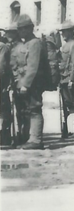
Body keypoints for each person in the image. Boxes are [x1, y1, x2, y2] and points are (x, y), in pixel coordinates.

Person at [11, 15, 47, 149]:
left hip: (33, 83)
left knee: (34, 109)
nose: (20, 32)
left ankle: (36, 140)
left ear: (29, 29)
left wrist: (25, 84)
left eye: (22, 29)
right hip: (23, 81)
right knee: (26, 110)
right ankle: (28, 138)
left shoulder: (35, 43)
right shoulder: (25, 43)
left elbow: (33, 66)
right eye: (19, 29)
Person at [58, 21, 74, 137]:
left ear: (71, 32)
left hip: (70, 79)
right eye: (62, 32)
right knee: (67, 104)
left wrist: (72, 79)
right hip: (63, 78)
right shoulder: (64, 45)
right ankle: (68, 128)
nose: (63, 34)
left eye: (65, 32)